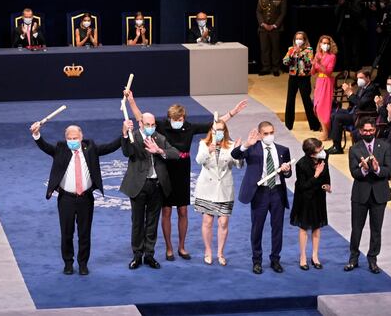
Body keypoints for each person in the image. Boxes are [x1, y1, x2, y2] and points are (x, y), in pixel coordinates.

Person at [124, 91, 247, 261]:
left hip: (182, 171)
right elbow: (141, 118)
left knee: (183, 211)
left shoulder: (189, 127)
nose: (178, 122)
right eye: (175, 119)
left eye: (180, 119)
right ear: (169, 118)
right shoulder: (162, 126)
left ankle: (181, 247)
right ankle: (169, 248)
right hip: (166, 170)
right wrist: (131, 101)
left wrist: (233, 112)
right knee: (166, 211)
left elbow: (213, 124)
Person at [30, 121, 124, 276]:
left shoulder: (91, 148)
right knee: (67, 233)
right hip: (66, 199)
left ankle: (83, 264)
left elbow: (110, 147)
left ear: (81, 137)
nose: (72, 141)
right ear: (66, 139)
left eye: (75, 138)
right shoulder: (61, 149)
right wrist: (36, 134)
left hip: (85, 198)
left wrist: (124, 134)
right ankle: (68, 263)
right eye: (70, 138)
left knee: (84, 233)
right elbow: (45, 147)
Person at [231, 121, 292, 274]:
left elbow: (288, 173)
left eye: (271, 132)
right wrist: (246, 144)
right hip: (260, 193)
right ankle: (257, 261)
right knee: (257, 228)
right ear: (259, 134)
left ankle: (275, 259)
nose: (269, 136)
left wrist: (286, 170)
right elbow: (235, 154)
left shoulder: (283, 150)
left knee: (277, 227)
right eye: (266, 133)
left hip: (277, 192)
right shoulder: (252, 148)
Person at [120, 114, 180, 270]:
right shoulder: (133, 137)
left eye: (153, 124)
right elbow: (126, 152)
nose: (151, 127)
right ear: (140, 123)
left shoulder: (159, 138)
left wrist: (159, 150)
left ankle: (149, 255)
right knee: (137, 222)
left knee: (152, 222)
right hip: (138, 186)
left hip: (156, 186)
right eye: (148, 124)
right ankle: (137, 255)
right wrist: (125, 133)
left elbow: (175, 153)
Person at [193, 120, 242, 266]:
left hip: (224, 189)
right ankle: (208, 251)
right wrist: (209, 150)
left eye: (221, 130)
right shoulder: (204, 144)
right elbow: (198, 160)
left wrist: (239, 152)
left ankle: (220, 253)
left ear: (225, 131)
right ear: (211, 131)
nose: (219, 133)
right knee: (207, 221)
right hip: (207, 189)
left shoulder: (231, 145)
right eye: (216, 130)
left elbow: (239, 165)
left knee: (223, 222)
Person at [345, 118, 390, 274]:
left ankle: (373, 260)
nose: (368, 133)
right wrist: (364, 169)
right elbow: (354, 172)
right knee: (356, 228)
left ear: (375, 130)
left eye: (371, 130)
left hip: (379, 194)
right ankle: (353, 259)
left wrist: (377, 169)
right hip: (360, 194)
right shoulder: (354, 149)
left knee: (376, 229)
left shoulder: (384, 146)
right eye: (365, 130)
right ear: (360, 131)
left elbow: (390, 170)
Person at [290, 138, 330, 270]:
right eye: (320, 150)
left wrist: (327, 185)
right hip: (305, 199)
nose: (323, 151)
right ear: (311, 154)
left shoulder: (324, 157)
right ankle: (303, 257)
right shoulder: (301, 165)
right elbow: (303, 186)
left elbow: (327, 173)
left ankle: (315, 256)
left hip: (319, 196)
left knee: (317, 227)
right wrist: (316, 175)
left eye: (322, 148)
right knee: (304, 228)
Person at [327, 69, 379, 154]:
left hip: (363, 116)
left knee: (338, 118)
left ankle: (338, 148)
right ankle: (335, 144)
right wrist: (349, 95)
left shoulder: (372, 89)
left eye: (361, 78)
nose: (359, 80)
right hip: (354, 112)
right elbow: (354, 102)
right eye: (358, 78)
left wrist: (350, 93)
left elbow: (360, 104)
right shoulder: (361, 88)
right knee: (333, 115)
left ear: (368, 78)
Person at [283, 31, 321, 131]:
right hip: (293, 77)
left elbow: (309, 63)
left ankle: (314, 125)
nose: (298, 40)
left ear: (304, 40)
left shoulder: (309, 50)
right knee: (290, 100)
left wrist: (300, 54)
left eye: (300, 38)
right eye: (297, 38)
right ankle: (288, 125)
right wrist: (292, 54)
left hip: (304, 78)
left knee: (306, 100)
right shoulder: (291, 49)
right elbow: (285, 62)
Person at [256, 0, 287, 76]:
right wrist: (263, 23)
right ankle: (266, 67)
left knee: (275, 49)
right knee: (264, 48)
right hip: (263, 28)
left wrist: (274, 25)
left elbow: (283, 13)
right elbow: (258, 12)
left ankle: (275, 68)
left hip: (276, 28)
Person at [312, 35, 338, 139]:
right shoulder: (317, 54)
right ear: (320, 44)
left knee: (323, 107)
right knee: (316, 107)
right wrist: (313, 64)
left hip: (327, 82)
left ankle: (326, 132)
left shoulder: (332, 56)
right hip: (319, 81)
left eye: (327, 43)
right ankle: (326, 130)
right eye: (324, 43)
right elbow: (313, 72)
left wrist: (319, 63)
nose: (326, 45)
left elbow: (328, 72)